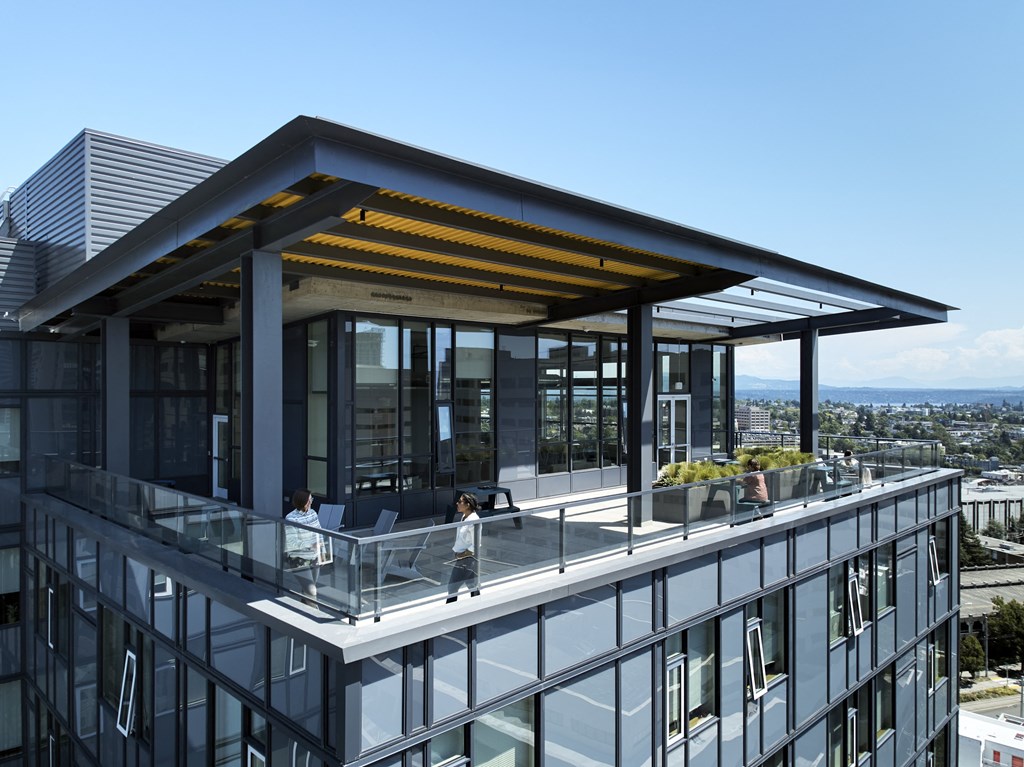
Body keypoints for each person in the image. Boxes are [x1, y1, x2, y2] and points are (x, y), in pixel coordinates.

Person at [284, 489, 324, 605]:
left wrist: (322, 554)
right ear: (301, 501)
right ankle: (316, 617)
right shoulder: (291, 518)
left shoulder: (313, 513)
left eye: (311, 499)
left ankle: (304, 613)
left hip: (314, 558)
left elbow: (319, 532)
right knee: (311, 591)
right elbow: (292, 543)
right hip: (299, 560)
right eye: (308, 500)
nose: (311, 502)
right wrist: (310, 545)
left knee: (307, 590)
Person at [447, 492, 481, 603]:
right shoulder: (464, 516)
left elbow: (476, 545)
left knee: (452, 587)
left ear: (468, 505)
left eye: (460, 501)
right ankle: (478, 606)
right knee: (472, 585)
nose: (457, 503)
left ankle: (448, 613)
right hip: (463, 558)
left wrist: (462, 555)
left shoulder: (474, 520)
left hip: (466, 560)